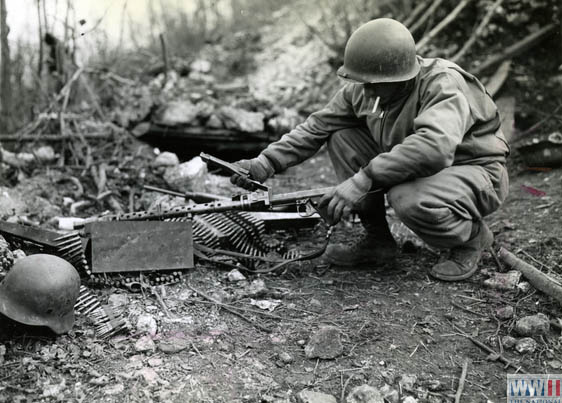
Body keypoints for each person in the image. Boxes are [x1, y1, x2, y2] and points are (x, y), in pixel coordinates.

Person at [230, 18, 510, 281]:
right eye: (363, 83)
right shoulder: (368, 89)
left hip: (475, 172)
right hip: (419, 167)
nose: (366, 91)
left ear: (399, 78)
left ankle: (472, 238)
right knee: (342, 135)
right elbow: (317, 126)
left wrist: (362, 180)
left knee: (408, 198)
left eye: (374, 84)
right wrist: (264, 163)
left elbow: (434, 147)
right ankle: (378, 241)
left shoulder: (442, 85)